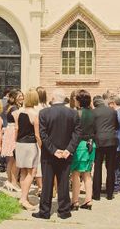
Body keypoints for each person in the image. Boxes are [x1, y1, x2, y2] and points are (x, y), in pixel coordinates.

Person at [33, 88, 81, 221]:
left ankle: (44, 211)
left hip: (49, 154)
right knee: (64, 182)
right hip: (65, 154)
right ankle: (64, 211)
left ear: (53, 98)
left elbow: (43, 134)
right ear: (64, 99)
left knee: (47, 182)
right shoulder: (73, 113)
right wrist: (68, 150)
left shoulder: (44, 113)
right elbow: (77, 134)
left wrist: (53, 150)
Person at [15, 88, 41, 210]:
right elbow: (37, 134)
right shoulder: (35, 114)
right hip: (30, 145)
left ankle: (23, 196)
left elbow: (17, 128)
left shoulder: (19, 112)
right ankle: (24, 199)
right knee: (32, 172)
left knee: (23, 172)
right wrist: (41, 146)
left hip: (20, 143)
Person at [70, 90, 95, 211]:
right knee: (87, 173)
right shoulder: (93, 113)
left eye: (76, 99)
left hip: (79, 145)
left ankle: (74, 201)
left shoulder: (76, 113)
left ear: (79, 100)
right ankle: (88, 200)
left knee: (75, 173)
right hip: (91, 144)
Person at [92, 95, 119, 201]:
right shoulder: (112, 111)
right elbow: (116, 125)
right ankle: (109, 193)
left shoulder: (94, 112)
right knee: (111, 168)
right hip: (111, 141)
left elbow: (92, 127)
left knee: (97, 168)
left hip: (99, 141)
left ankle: (97, 194)